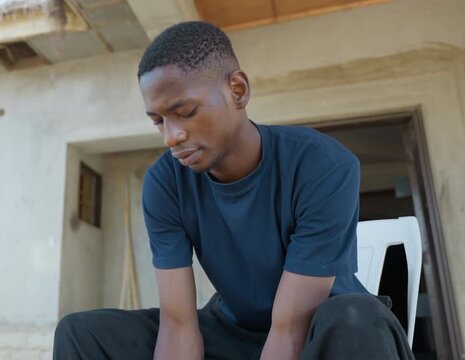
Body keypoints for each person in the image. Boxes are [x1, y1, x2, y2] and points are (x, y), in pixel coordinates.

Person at [54, 21, 413, 360]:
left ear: (237, 90)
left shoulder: (323, 165)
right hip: (231, 333)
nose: (171, 136)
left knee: (359, 316)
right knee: (81, 332)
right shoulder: (166, 183)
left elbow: (289, 329)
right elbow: (178, 325)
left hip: (318, 334)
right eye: (158, 120)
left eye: (186, 111)